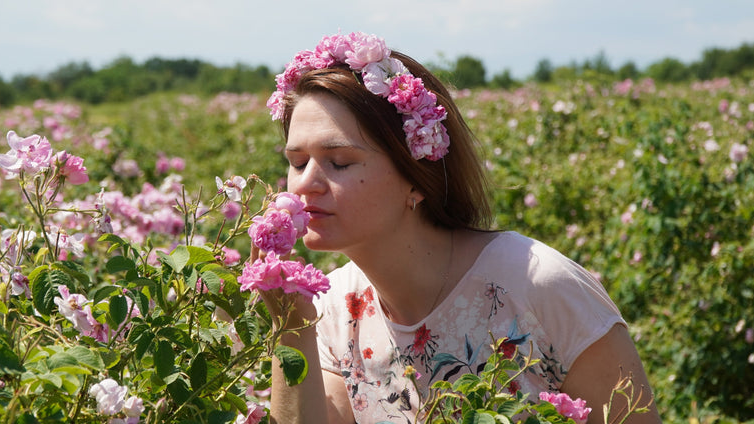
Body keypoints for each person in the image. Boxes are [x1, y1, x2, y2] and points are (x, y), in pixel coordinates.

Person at [259, 32, 662, 424]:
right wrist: (289, 326)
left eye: (339, 161)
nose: (306, 183)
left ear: (415, 175)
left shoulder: (540, 288)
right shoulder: (330, 314)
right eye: (297, 162)